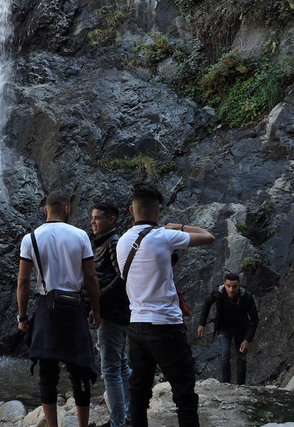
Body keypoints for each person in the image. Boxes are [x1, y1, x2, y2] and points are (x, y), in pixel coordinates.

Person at [116, 183, 215, 427]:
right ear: (158, 211)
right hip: (165, 325)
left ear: (131, 210)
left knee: (139, 392)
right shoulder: (164, 235)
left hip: (136, 325)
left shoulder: (121, 242)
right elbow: (208, 237)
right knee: (184, 394)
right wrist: (178, 227)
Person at [17, 191, 102, 427]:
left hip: (46, 306)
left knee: (47, 370)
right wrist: (96, 309)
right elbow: (91, 276)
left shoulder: (30, 238)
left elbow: (23, 281)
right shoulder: (80, 236)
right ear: (67, 209)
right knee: (80, 368)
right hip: (74, 306)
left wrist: (22, 316)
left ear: (46, 210)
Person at [91, 202, 131, 427]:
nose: (92, 222)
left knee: (110, 369)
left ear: (112, 220)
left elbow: (122, 277)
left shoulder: (113, 243)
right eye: (92, 217)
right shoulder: (104, 242)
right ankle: (128, 415)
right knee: (121, 364)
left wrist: (98, 298)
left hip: (114, 313)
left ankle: (118, 422)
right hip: (114, 311)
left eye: (97, 218)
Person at [197, 273, 259, 385]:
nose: (231, 289)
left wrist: (247, 339)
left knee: (241, 356)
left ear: (239, 285)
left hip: (241, 328)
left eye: (234, 286)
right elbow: (207, 304)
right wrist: (202, 324)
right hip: (224, 327)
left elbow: (254, 320)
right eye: (228, 286)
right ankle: (226, 384)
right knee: (225, 353)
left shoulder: (246, 296)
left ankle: (241, 386)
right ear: (224, 285)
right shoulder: (218, 293)